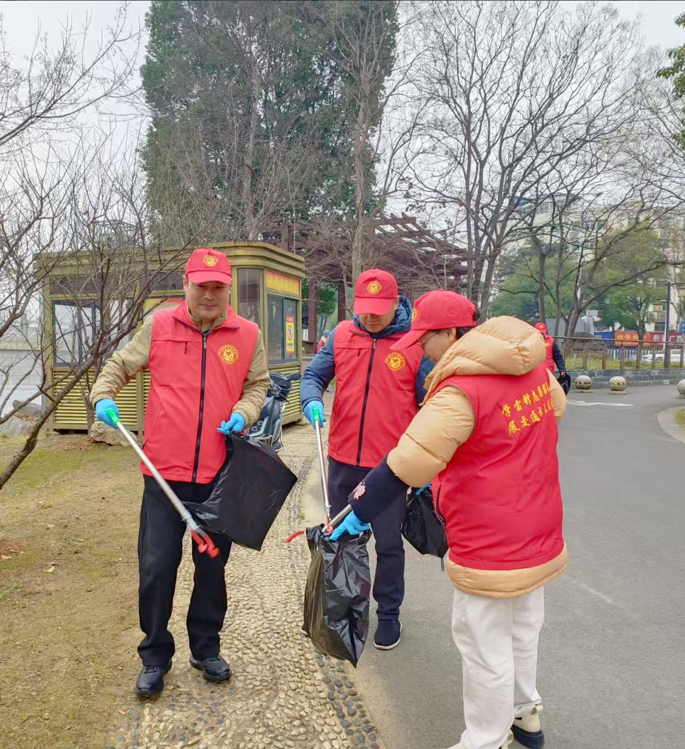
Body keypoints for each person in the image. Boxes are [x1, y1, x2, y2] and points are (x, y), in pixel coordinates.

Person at [332, 290, 567, 749]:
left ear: (453, 333)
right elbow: (555, 411)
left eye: (426, 339)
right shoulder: (533, 369)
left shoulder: (461, 390)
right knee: (522, 629)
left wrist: (358, 511)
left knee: (483, 644)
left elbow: (407, 462)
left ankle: (484, 739)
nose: (421, 350)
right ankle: (525, 714)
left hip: (488, 534)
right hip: (539, 521)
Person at [91, 248, 269, 698]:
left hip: (219, 474)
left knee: (212, 569)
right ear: (185, 285)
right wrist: (103, 395)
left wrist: (244, 413)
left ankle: (206, 648)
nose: (209, 295)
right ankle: (154, 655)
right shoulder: (159, 326)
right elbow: (120, 365)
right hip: (162, 472)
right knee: (156, 567)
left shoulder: (247, 334)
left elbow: (258, 385)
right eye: (201, 286)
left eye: (218, 287)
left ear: (228, 289)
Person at [300, 269, 433, 650]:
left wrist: (424, 462)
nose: (371, 316)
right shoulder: (342, 335)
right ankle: (342, 610)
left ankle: (389, 613)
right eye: (364, 308)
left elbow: (430, 403)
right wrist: (311, 399)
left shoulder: (414, 344)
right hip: (343, 458)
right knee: (342, 539)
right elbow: (314, 376)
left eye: (379, 308)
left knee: (388, 544)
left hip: (390, 467)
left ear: (395, 302)